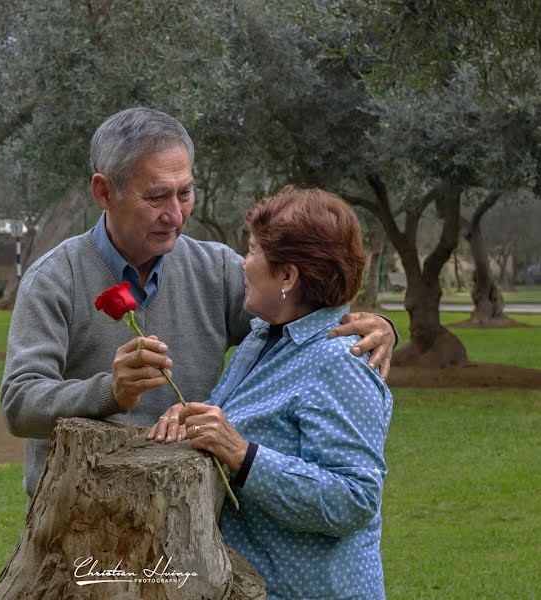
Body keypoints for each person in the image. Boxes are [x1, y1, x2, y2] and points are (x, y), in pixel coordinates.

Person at [0, 107, 396, 500]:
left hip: (191, 522)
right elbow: (19, 404)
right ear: (104, 192)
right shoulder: (53, 279)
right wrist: (110, 392)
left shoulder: (219, 270)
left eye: (185, 192)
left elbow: (297, 324)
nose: (175, 215)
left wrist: (378, 327)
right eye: (156, 196)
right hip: (78, 518)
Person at [148, 186, 393, 600]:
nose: (243, 264)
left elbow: (355, 498)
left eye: (253, 250)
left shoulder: (341, 363)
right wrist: (193, 417)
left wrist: (245, 456)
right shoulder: (262, 337)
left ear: (287, 275)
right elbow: (240, 420)